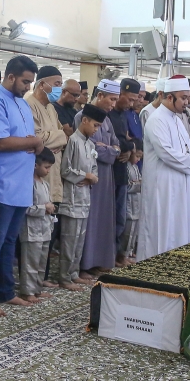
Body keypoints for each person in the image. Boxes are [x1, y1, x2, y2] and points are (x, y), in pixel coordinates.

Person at [0, 55, 42, 316]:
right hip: (2, 183)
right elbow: (2, 142)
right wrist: (34, 142)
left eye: (30, 82)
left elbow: (26, 138)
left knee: (8, 242)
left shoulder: (22, 103)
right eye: (25, 82)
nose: (28, 87)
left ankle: (6, 292)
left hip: (21, 184)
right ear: (11, 77)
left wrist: (31, 141)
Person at [138, 76, 190, 258]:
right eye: (183, 98)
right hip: (162, 184)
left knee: (179, 224)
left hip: (180, 181)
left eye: (187, 98)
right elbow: (165, 152)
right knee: (161, 228)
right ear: (169, 97)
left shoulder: (177, 119)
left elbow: (188, 146)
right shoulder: (157, 119)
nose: (187, 102)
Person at [74, 80, 120, 280]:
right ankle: (85, 264)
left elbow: (116, 145)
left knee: (103, 218)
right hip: (89, 175)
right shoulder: (81, 117)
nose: (113, 104)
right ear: (100, 95)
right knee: (90, 219)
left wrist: (109, 149)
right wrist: (110, 150)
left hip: (106, 175)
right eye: (112, 99)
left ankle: (99, 261)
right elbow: (90, 148)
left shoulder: (107, 119)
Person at [57, 104, 102, 289]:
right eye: (95, 125)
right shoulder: (73, 141)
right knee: (69, 239)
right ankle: (64, 277)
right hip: (72, 199)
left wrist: (92, 177)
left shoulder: (90, 144)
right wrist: (85, 176)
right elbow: (65, 169)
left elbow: (94, 169)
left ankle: (74, 273)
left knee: (79, 239)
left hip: (85, 199)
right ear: (84, 120)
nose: (96, 129)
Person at [24, 65, 68, 227]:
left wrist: (55, 139)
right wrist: (57, 138)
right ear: (42, 84)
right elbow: (36, 138)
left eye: (60, 84)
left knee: (50, 226)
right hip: (38, 175)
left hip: (54, 174)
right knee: (36, 225)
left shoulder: (50, 107)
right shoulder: (29, 105)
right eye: (56, 84)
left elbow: (64, 135)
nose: (59, 88)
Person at [18, 150, 56, 303]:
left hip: (45, 228)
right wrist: (44, 208)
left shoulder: (45, 184)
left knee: (41, 262)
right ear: (35, 165)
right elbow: (25, 208)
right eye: (46, 167)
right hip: (31, 230)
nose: (48, 171)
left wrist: (50, 208)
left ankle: (37, 289)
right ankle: (27, 291)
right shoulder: (28, 183)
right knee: (30, 262)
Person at [110, 79, 138, 263]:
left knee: (122, 217)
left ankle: (118, 254)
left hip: (121, 172)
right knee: (111, 217)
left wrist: (130, 147)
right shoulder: (108, 115)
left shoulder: (123, 115)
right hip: (110, 172)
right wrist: (129, 147)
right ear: (120, 94)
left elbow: (129, 140)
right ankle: (110, 256)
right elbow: (117, 143)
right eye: (130, 99)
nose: (132, 104)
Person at [118, 139, 142, 260]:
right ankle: (122, 255)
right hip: (128, 205)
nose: (138, 159)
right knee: (127, 232)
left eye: (140, 157)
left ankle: (130, 252)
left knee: (134, 231)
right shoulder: (126, 167)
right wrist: (139, 184)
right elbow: (127, 186)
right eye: (137, 156)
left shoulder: (136, 167)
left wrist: (138, 183)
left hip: (136, 205)